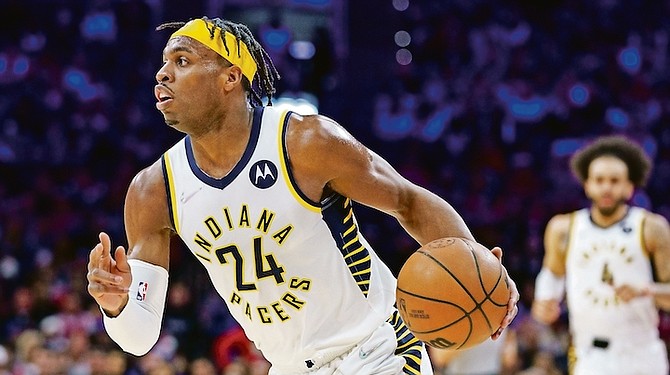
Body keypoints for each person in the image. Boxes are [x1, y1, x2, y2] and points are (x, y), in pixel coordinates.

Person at [86, 16, 519, 375]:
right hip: (291, 367)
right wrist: (119, 304)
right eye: (164, 63)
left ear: (230, 78)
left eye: (182, 60)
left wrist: (479, 264)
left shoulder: (306, 142)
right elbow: (140, 337)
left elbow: (407, 201)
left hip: (376, 351)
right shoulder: (152, 189)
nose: (163, 73)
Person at [531, 135, 670, 374]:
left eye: (615, 181)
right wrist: (544, 300)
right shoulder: (563, 228)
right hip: (589, 356)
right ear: (587, 184)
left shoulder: (651, 228)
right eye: (599, 180)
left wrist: (647, 290)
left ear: (629, 186)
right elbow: (552, 274)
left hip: (642, 354)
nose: (606, 187)